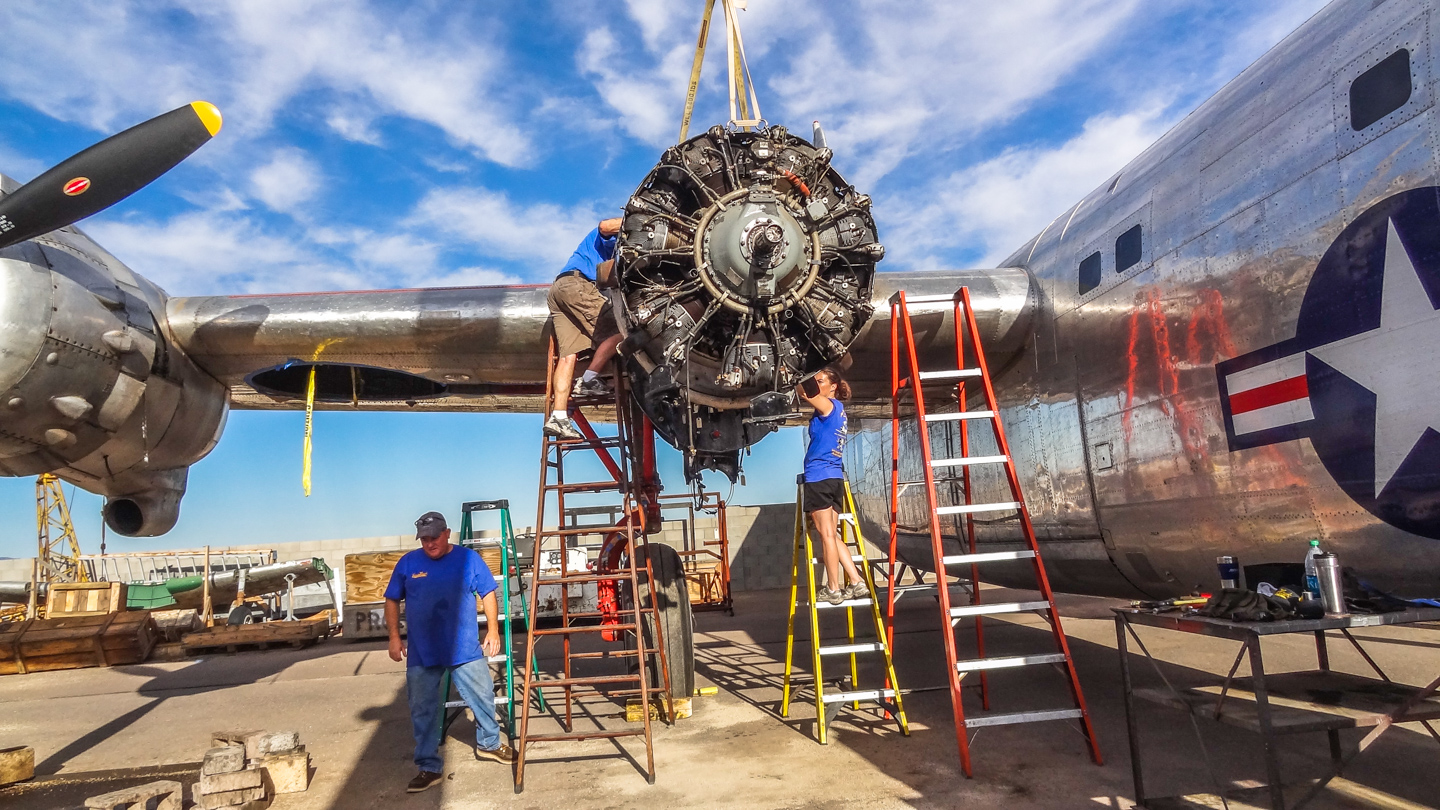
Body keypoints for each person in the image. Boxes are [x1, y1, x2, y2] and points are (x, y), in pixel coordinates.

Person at [385, 511, 512, 793]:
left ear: (448, 533)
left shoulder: (468, 559)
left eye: (434, 538)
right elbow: (392, 599)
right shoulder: (408, 563)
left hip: (464, 649)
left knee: (482, 696)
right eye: (424, 539)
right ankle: (429, 767)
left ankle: (489, 744)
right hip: (422, 652)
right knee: (422, 709)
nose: (429, 544)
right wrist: (394, 637)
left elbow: (488, 592)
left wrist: (493, 630)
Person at [544, 217, 625, 441]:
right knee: (625, 328)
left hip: (559, 289)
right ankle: (590, 379)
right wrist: (639, 220)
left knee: (568, 356)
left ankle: (558, 417)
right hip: (577, 286)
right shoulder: (612, 235)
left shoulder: (610, 252)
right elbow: (604, 225)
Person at [797, 366, 865, 606]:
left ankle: (833, 588)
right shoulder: (838, 411)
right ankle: (856, 580)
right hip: (833, 476)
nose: (817, 385)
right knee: (832, 535)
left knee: (825, 535)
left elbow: (803, 392)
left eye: (821, 381)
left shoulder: (829, 406)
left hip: (819, 476)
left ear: (833, 386)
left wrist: (792, 375)